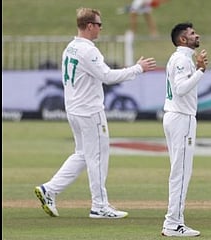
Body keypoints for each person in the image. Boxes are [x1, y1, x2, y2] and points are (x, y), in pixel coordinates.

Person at [34, 7, 157, 219]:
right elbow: (107, 76)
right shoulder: (88, 50)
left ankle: (49, 190)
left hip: (74, 109)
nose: (101, 29)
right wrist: (138, 68)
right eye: (99, 24)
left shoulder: (71, 47)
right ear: (90, 26)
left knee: (83, 154)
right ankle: (99, 206)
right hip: (89, 111)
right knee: (98, 157)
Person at [161, 22, 207, 237]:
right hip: (181, 119)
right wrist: (200, 71)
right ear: (182, 39)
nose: (196, 35)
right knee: (181, 173)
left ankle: (174, 221)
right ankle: (173, 224)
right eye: (192, 33)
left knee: (178, 171)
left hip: (174, 117)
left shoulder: (179, 58)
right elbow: (180, 89)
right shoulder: (182, 59)